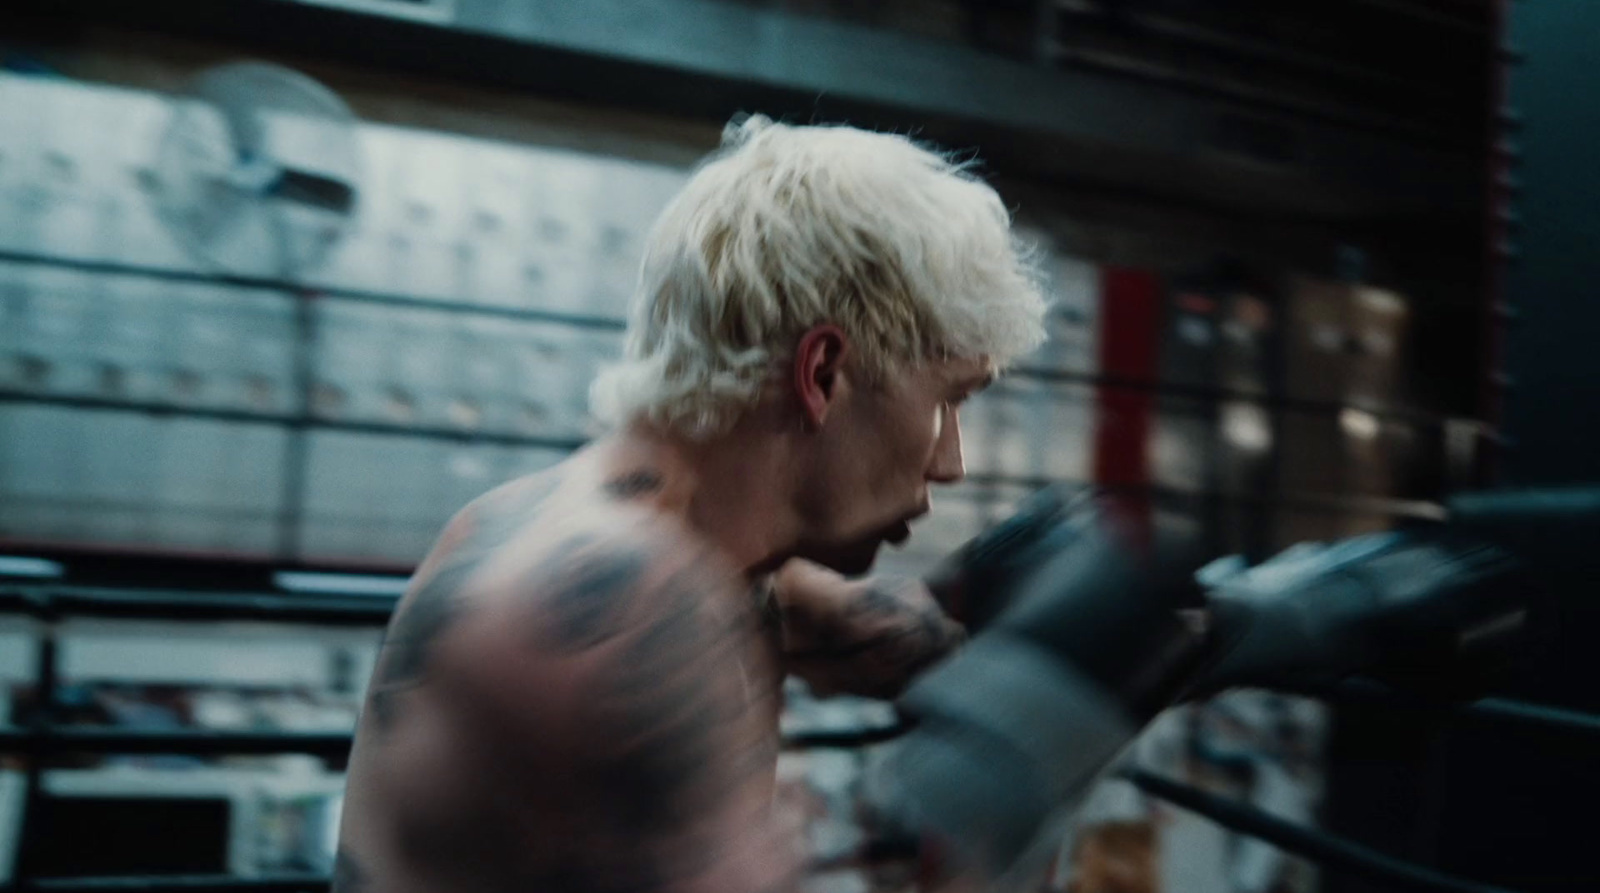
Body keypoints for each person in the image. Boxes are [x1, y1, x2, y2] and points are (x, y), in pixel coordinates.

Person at [335, 114, 1049, 893]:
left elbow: (892, 632)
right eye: (948, 403)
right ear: (824, 373)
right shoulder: (627, 598)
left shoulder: (698, 563)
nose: (951, 463)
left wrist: (1163, 626)